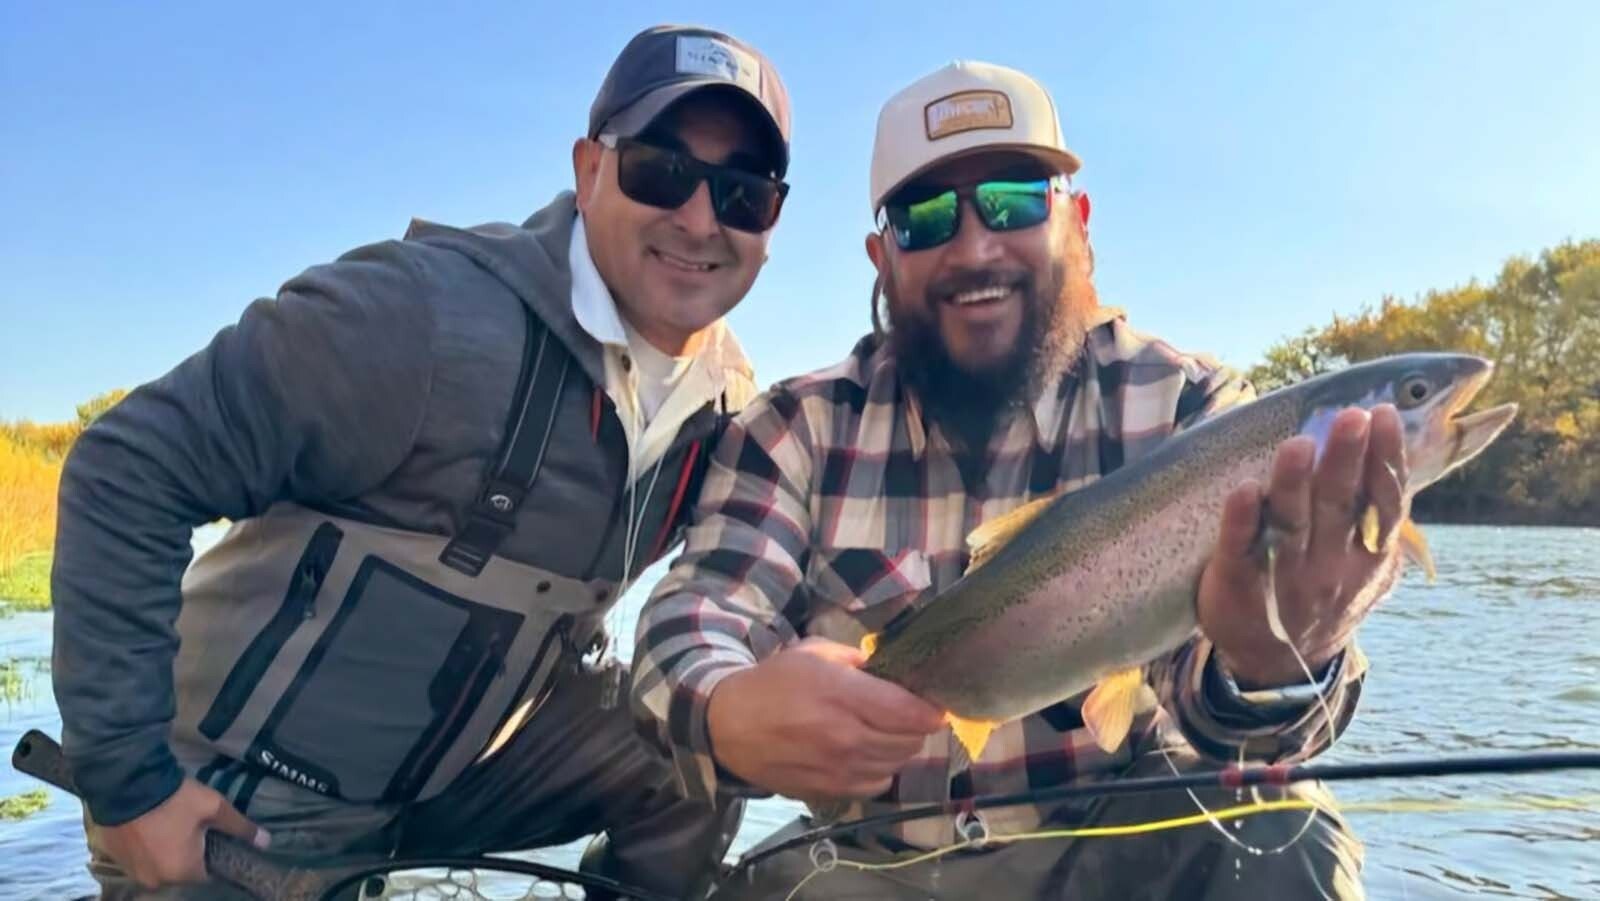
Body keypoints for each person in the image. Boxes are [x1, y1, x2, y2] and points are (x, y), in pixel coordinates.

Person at [50, 23, 792, 900]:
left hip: (462, 781)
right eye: (662, 170)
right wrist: (130, 783)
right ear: (590, 170)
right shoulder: (415, 319)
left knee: (708, 739)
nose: (701, 218)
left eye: (744, 194)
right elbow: (125, 470)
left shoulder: (731, 408)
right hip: (235, 803)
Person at [631, 60, 1390, 899]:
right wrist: (728, 711)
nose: (975, 245)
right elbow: (697, 615)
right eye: (925, 219)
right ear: (882, 258)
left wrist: (1280, 656)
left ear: (1079, 222)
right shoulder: (795, 428)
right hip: (873, 866)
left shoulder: (1193, 410)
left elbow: (1252, 733)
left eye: (1015, 200)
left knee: (1286, 828)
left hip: (1117, 853)